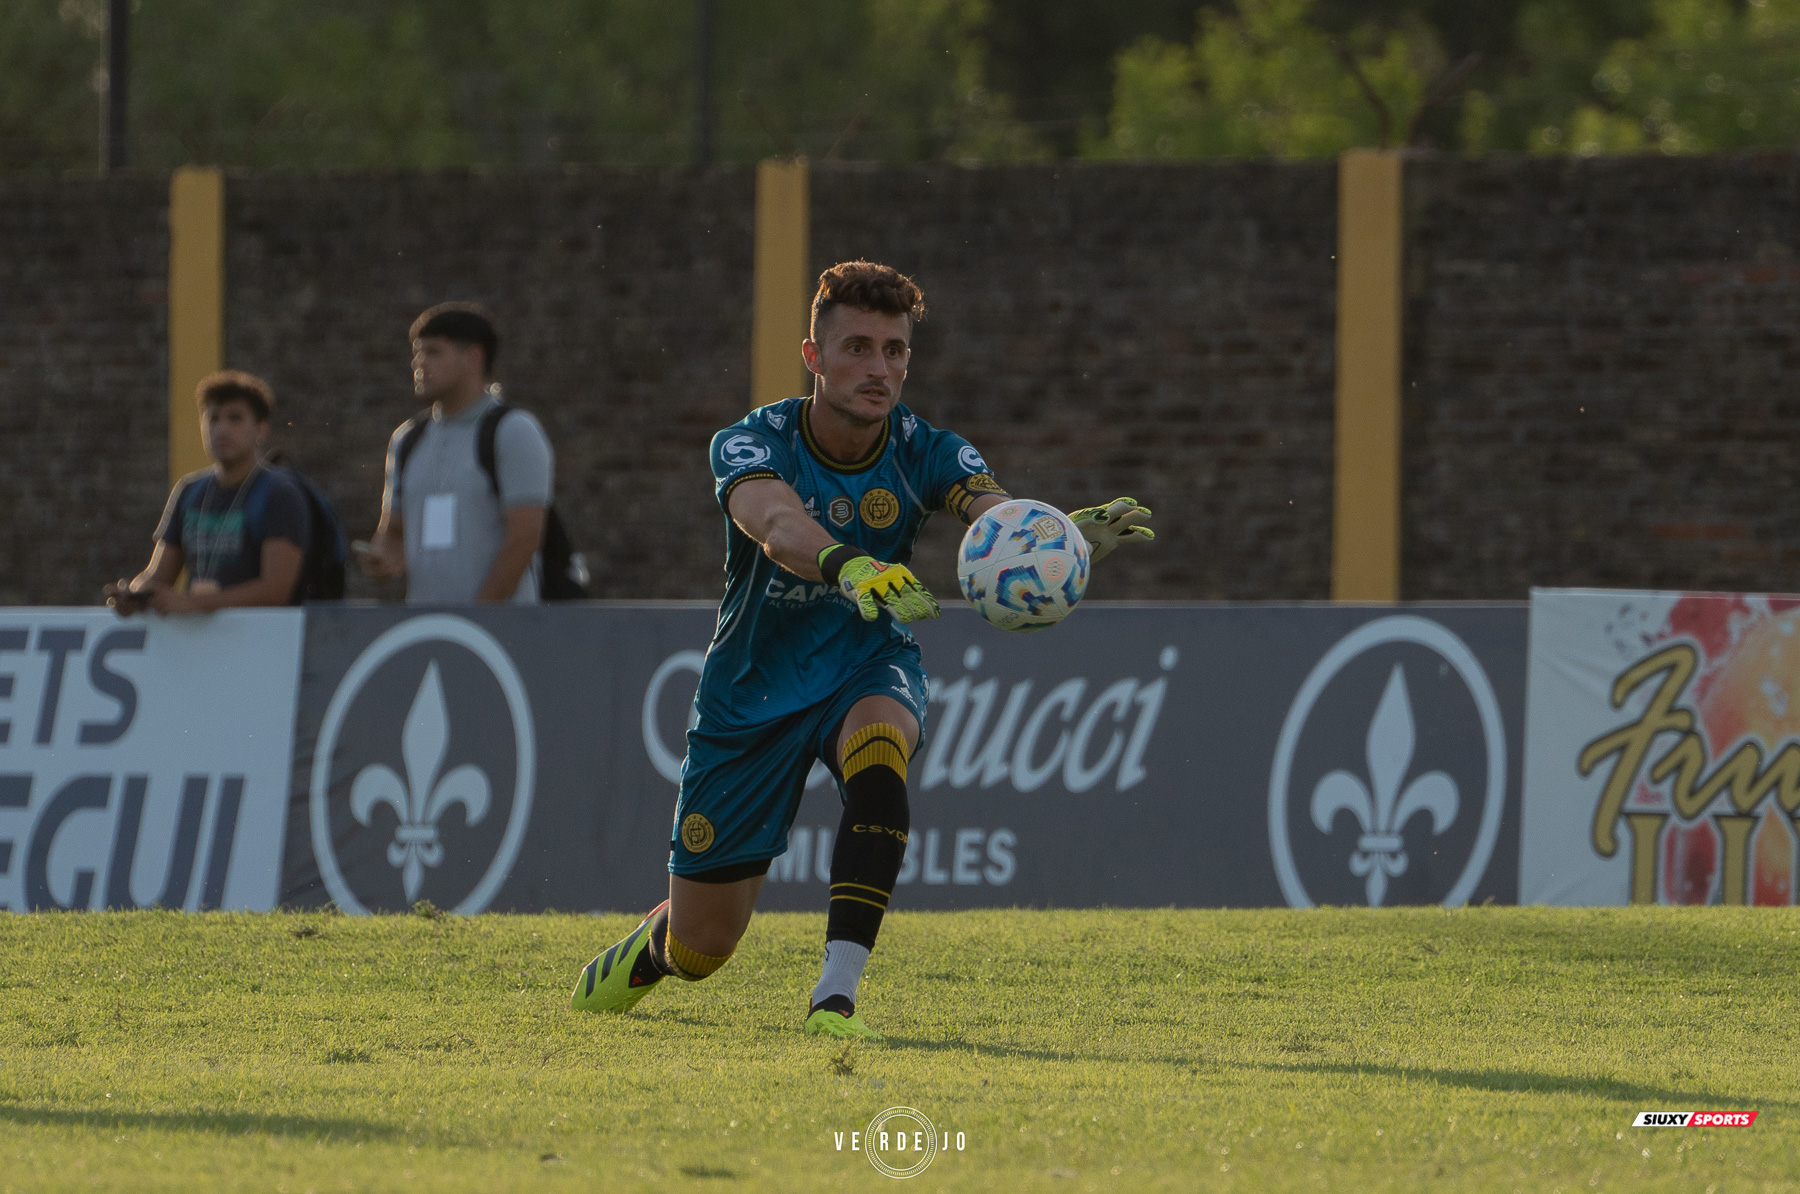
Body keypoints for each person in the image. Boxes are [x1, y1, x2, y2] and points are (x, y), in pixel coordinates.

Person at [571, 261, 1154, 1038]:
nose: (879, 368)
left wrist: (1054, 544)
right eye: (857, 348)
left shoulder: (928, 447)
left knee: (881, 751)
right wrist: (850, 563)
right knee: (705, 945)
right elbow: (775, 526)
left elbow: (992, 511)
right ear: (814, 357)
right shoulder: (751, 441)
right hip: (753, 691)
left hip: (865, 659)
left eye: (894, 351)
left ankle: (835, 996)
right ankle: (650, 953)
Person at [361, 304, 554, 603]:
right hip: (428, 631)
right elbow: (393, 532)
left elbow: (525, 538)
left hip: (501, 637)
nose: (419, 363)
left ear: (473, 357)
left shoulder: (515, 431)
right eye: (417, 353)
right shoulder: (407, 438)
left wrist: (473, 621)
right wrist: (381, 556)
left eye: (433, 352)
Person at [105, 371, 311, 615]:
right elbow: (158, 576)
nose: (222, 429)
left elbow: (275, 591)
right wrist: (135, 595)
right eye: (213, 418)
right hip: (200, 643)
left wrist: (194, 603)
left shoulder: (279, 493)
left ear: (261, 429)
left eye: (235, 418)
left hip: (259, 643)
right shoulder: (190, 490)